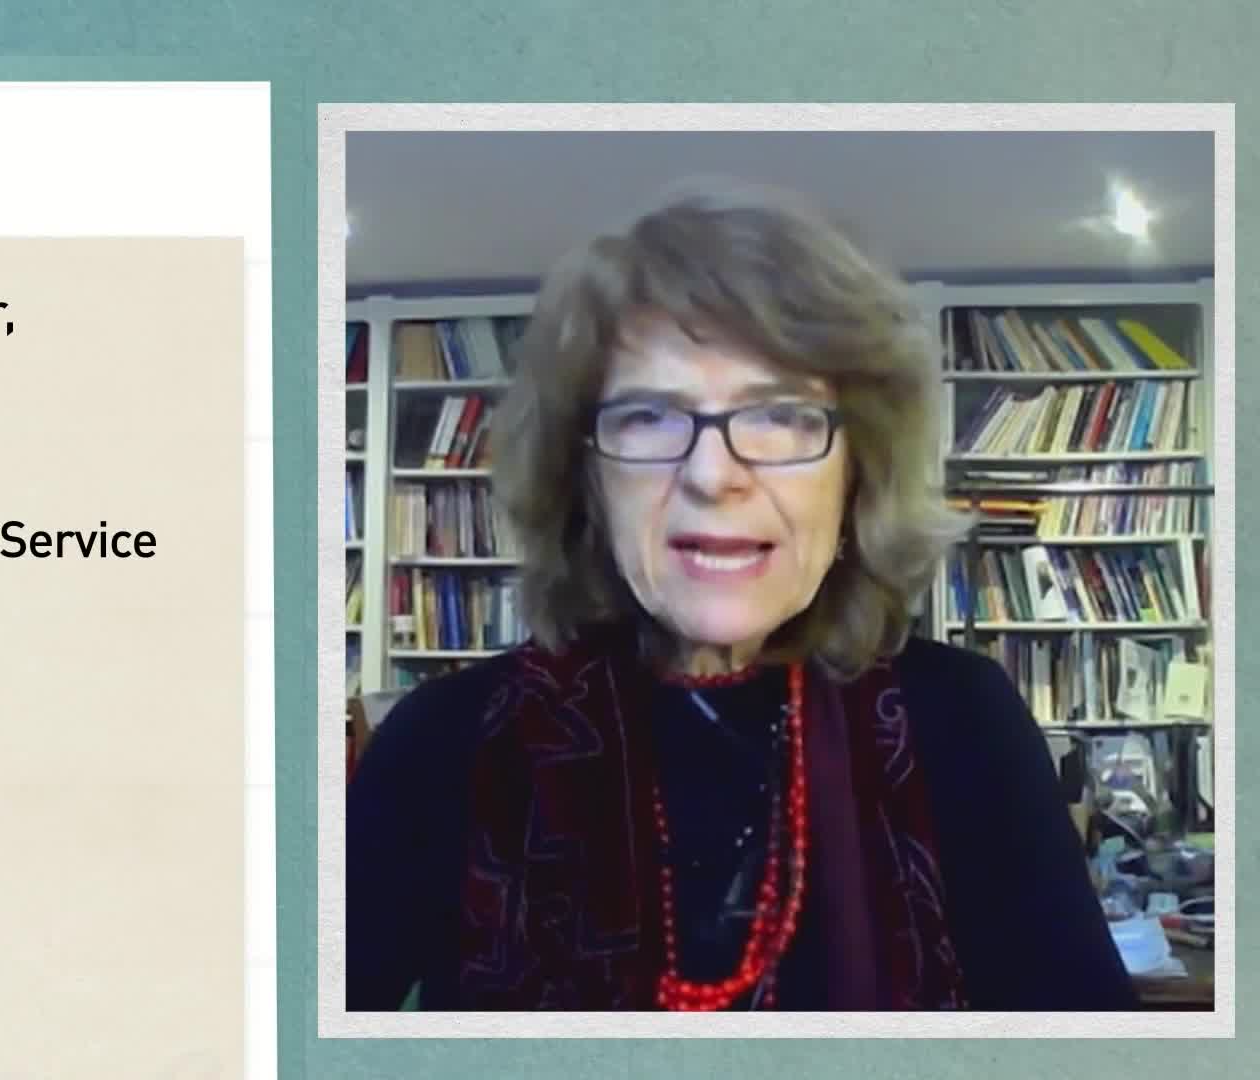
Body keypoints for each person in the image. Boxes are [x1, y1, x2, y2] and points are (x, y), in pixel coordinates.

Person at [345, 179, 1137, 1011]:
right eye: (649, 416)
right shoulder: (444, 744)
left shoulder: (964, 723)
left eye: (782, 416)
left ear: (856, 472)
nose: (712, 475)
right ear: (585, 475)